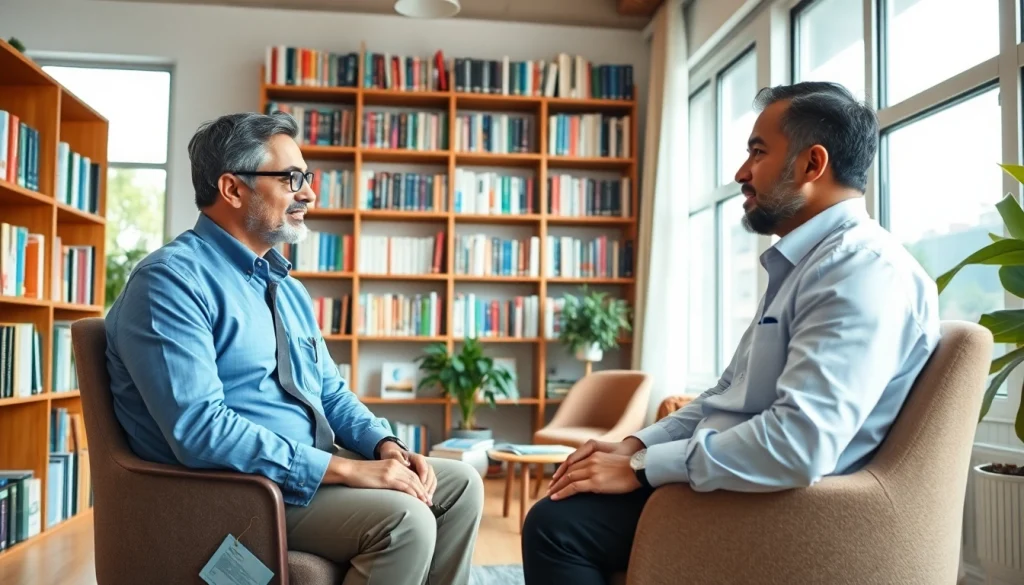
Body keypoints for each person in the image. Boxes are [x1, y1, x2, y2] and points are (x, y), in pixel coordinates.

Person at [521, 81, 940, 584]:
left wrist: (642, 469)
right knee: (571, 499)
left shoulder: (859, 271)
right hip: (744, 482)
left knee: (556, 525)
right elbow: (727, 394)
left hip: (792, 509)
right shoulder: (809, 264)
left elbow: (799, 445)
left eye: (757, 153)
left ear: (813, 164)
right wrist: (634, 445)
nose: (742, 173)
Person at [105, 111, 483, 585]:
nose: (309, 192)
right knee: (405, 520)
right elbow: (199, 429)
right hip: (238, 491)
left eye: (305, 177)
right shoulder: (170, 283)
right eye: (291, 178)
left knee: (461, 485)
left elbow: (330, 391)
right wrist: (342, 469)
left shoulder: (287, 288)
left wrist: (384, 445)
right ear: (233, 188)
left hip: (305, 476)